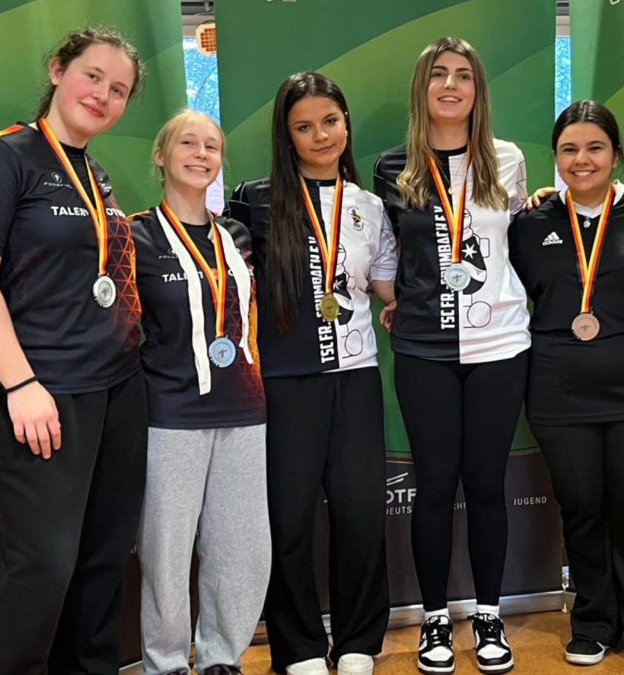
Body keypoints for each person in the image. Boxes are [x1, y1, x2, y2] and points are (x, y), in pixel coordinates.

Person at [0, 27, 147, 675]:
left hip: (117, 386)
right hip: (42, 391)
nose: (104, 95)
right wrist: (20, 385)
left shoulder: (95, 173)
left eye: (119, 90)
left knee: (102, 558)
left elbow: (69, 270)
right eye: (93, 76)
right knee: (43, 565)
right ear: (58, 69)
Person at [226, 72, 397, 675]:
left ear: (346, 123)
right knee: (287, 519)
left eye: (330, 121)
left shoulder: (371, 207)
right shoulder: (252, 200)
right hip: (283, 383)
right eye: (304, 126)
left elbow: (388, 288)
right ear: (287, 135)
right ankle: (297, 647)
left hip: (356, 378)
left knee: (360, 515)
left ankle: (358, 642)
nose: (320, 135)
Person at [508, 100, 624, 675]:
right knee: (582, 510)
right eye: (569, 149)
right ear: (555, 157)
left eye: (594, 148)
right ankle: (593, 623)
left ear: (616, 153)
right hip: (558, 387)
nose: (581, 160)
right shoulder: (530, 222)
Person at [373, 37, 529, 675]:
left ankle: (489, 614)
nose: (450, 85)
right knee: (435, 486)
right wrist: (393, 301)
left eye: (463, 75)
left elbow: (518, 239)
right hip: (424, 348)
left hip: (500, 344)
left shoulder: (507, 159)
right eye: (438, 74)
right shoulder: (392, 166)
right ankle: (435, 618)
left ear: (477, 89)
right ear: (422, 87)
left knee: (486, 484)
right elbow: (386, 253)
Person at [128, 110, 269, 675]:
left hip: (244, 405)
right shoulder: (135, 234)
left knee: (240, 545)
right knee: (165, 549)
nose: (201, 154)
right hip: (170, 410)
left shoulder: (236, 234)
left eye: (211, 146)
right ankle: (165, 662)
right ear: (160, 156)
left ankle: (220, 657)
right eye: (187, 143)